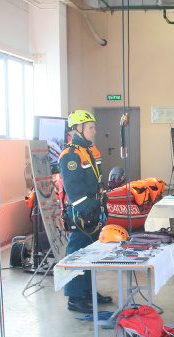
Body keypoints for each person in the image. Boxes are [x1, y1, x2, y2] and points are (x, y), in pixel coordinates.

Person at [59, 109, 112, 313]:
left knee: (91, 253)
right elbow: (73, 190)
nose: (94, 130)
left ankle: (87, 291)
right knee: (77, 254)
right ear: (79, 129)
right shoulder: (70, 155)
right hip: (81, 214)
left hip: (93, 209)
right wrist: (88, 209)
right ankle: (74, 297)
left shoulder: (90, 151)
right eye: (91, 127)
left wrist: (101, 201)